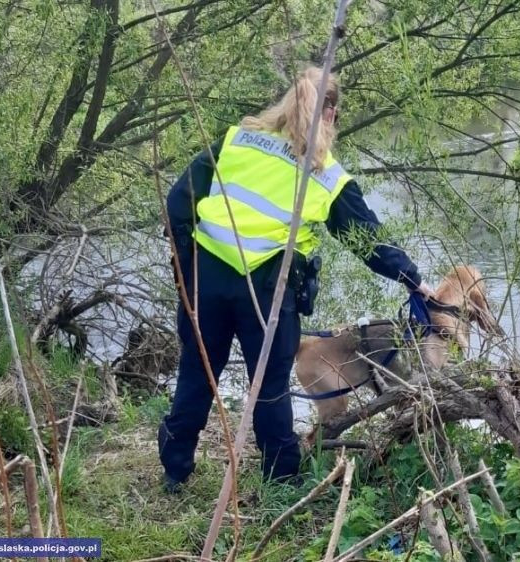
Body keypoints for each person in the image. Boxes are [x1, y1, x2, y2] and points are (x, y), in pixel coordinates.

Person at [159, 66, 434, 491]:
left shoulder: (237, 141)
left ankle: (175, 471)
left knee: (198, 373)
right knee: (269, 386)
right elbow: (367, 240)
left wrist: (184, 265)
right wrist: (413, 279)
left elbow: (179, 203)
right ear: (331, 115)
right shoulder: (326, 174)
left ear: (288, 103)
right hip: (267, 290)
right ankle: (281, 479)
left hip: (205, 279)